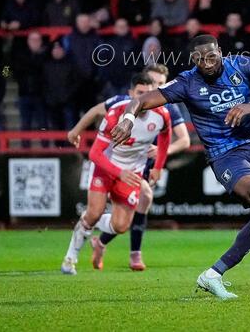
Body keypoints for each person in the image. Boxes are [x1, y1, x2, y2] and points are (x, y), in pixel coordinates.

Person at [110, 35, 250, 300]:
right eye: (200, 59)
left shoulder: (242, 65)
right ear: (193, 59)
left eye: (211, 56)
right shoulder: (187, 82)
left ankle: (212, 275)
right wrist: (128, 119)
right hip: (223, 154)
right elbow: (141, 100)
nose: (207, 63)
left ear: (220, 51)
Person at [68, 63, 191, 271]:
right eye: (153, 82)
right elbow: (95, 111)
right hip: (119, 165)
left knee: (127, 217)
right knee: (145, 197)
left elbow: (184, 140)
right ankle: (134, 253)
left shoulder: (168, 106)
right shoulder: (123, 103)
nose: (156, 87)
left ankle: (103, 242)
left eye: (161, 83)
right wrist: (76, 130)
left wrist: (163, 153)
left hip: (143, 165)